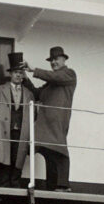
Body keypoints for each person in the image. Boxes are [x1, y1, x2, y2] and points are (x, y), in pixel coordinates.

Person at [25, 45, 76, 191]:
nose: (53, 62)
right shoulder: (51, 82)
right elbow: (37, 94)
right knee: (49, 153)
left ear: (64, 59)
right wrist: (25, 78)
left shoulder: (69, 74)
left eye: (56, 59)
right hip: (45, 124)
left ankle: (63, 185)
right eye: (51, 60)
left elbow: (56, 76)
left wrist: (34, 70)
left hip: (57, 123)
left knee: (59, 151)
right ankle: (52, 186)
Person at [0, 53, 33, 187]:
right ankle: (0, 201)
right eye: (16, 72)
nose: (18, 75)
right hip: (3, 132)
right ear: (10, 74)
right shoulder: (0, 89)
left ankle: (14, 202)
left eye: (21, 73)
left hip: (21, 134)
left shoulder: (29, 94)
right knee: (3, 166)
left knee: (17, 167)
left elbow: (33, 114)